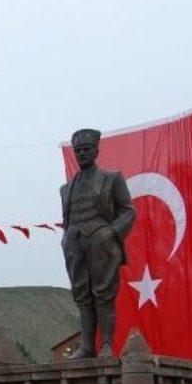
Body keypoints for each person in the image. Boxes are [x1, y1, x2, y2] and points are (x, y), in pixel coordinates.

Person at [60, 128, 136, 359]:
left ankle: (105, 344)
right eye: (78, 150)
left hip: (101, 242)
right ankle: (86, 346)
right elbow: (68, 217)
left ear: (96, 151)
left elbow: (128, 212)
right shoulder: (66, 189)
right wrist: (67, 239)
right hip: (74, 243)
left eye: (86, 149)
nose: (82, 154)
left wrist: (111, 233)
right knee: (81, 294)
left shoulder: (112, 178)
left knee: (104, 293)